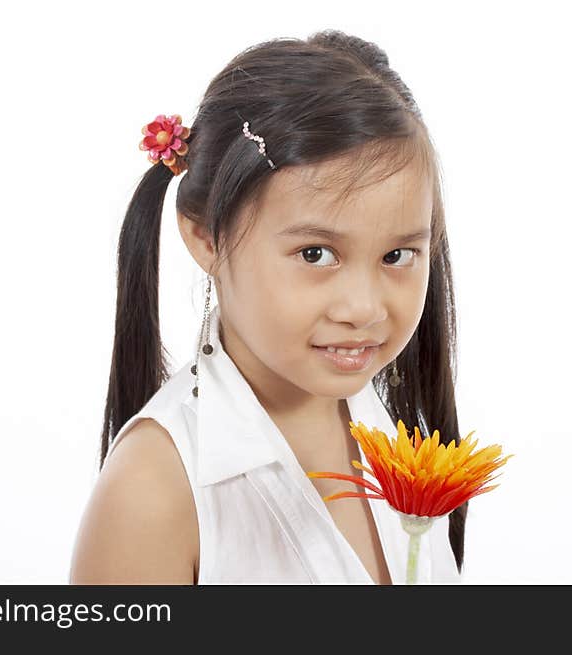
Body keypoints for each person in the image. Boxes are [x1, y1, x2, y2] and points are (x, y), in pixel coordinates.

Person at [69, 29, 467, 585]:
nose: (363, 308)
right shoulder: (155, 493)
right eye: (315, 253)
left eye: (398, 254)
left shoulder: (386, 430)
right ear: (207, 238)